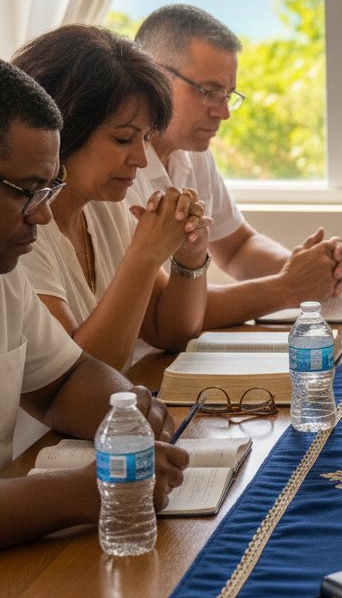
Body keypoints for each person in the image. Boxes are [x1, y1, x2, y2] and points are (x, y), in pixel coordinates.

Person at [0, 54, 186, 552]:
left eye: (49, 188)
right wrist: (88, 491)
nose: (42, 215)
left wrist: (129, 413)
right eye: (27, 190)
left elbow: (64, 380)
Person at [132, 4, 342, 326]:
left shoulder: (194, 152)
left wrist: (309, 267)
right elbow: (163, 312)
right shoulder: (122, 166)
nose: (223, 113)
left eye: (228, 95)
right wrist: (288, 287)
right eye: (209, 91)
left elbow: (238, 247)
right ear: (155, 74)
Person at [12, 26, 211, 370]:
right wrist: (145, 255)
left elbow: (172, 332)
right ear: (64, 129)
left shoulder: (107, 206)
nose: (141, 160)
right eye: (123, 139)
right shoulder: (19, 231)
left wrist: (189, 257)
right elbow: (79, 375)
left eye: (145, 139)